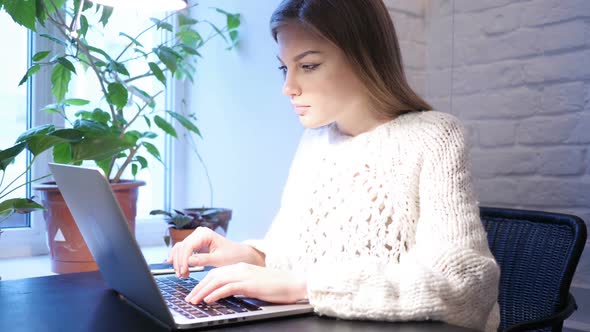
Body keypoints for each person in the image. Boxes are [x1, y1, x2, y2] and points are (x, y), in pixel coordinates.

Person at [168, 0, 500, 330]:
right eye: (285, 68)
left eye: (308, 66)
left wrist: (305, 288)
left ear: (364, 57)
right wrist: (249, 256)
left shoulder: (435, 137)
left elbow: (467, 286)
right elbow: (294, 251)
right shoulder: (316, 141)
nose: (288, 88)